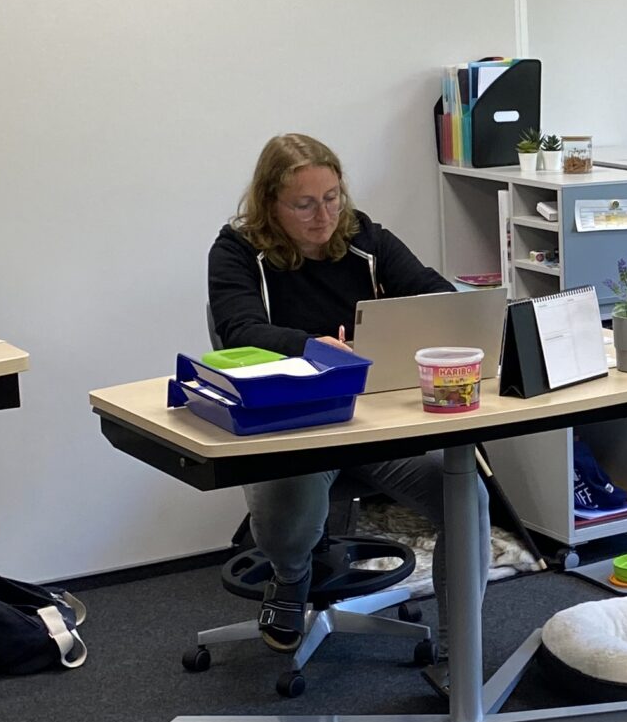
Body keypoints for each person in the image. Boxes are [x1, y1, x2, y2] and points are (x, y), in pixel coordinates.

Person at [207, 132, 489, 648]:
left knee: (466, 497)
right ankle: (291, 576)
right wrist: (310, 347)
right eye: (304, 204)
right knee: (290, 519)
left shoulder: (366, 239)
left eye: (332, 197)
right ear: (270, 203)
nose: (324, 216)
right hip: (295, 427)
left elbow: (439, 299)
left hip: (374, 423)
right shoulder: (238, 250)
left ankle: (460, 652)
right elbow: (238, 330)